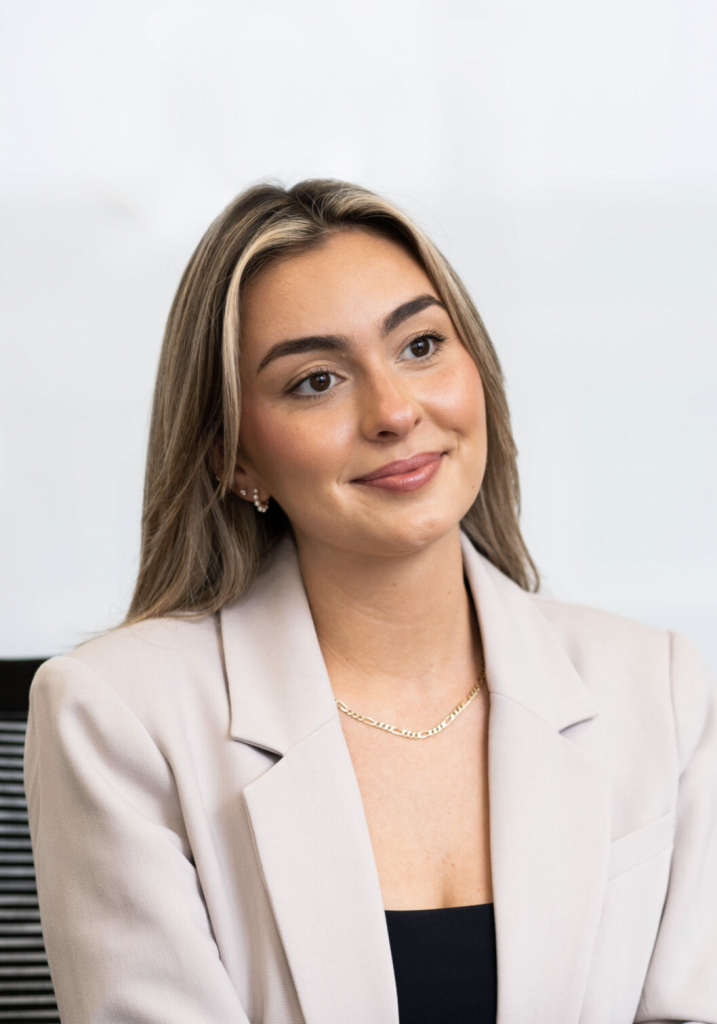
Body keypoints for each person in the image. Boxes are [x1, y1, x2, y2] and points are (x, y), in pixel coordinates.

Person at [24, 179, 717, 1024]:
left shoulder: (665, 690)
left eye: (420, 346)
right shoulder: (116, 713)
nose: (393, 411)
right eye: (316, 380)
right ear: (232, 458)